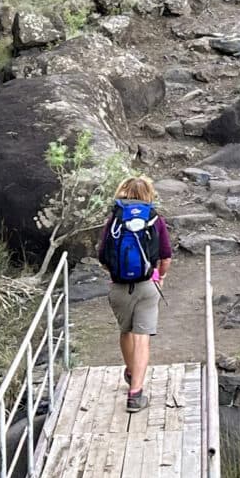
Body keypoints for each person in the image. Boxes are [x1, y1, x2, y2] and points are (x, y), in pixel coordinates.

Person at [100, 175, 173, 411]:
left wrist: (116, 271)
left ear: (123, 192)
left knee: (126, 331)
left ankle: (131, 371)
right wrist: (160, 277)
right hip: (147, 287)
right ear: (148, 195)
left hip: (119, 288)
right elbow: (166, 256)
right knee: (142, 338)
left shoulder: (114, 219)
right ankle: (135, 394)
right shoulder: (154, 219)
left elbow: (102, 256)